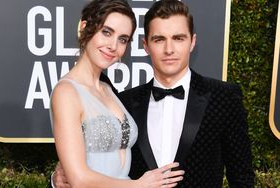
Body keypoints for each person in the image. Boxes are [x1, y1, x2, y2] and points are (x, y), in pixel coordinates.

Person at [52, 0, 255, 187]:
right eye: (159, 39)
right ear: (145, 46)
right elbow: (89, 165)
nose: (169, 49)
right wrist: (58, 179)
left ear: (192, 42)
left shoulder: (224, 97)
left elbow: (242, 176)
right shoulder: (126, 101)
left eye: (178, 38)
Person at [49, 0, 185, 187]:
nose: (113, 46)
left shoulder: (108, 89)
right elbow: (78, 180)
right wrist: (139, 185)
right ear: (84, 27)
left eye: (122, 39)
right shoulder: (66, 92)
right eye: (106, 32)